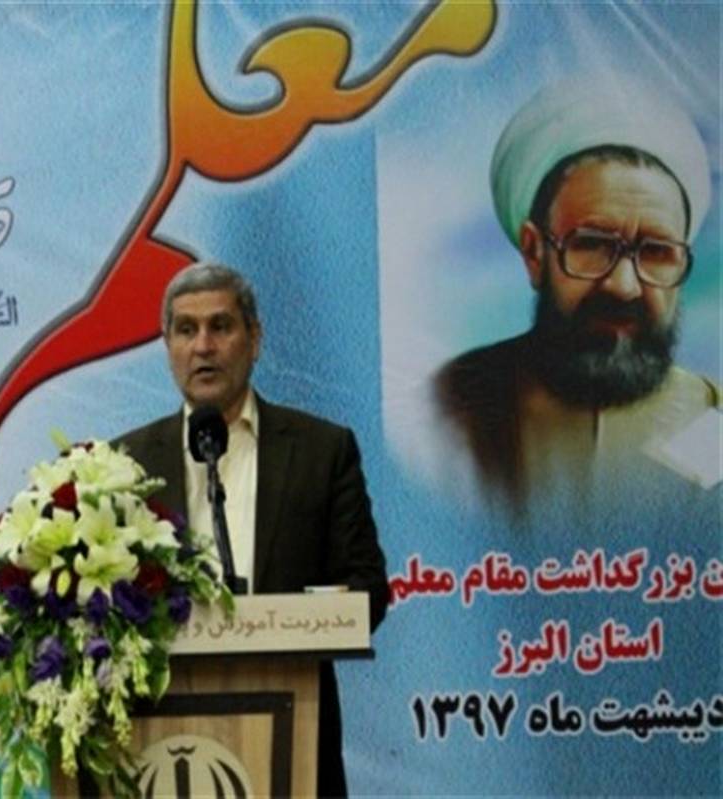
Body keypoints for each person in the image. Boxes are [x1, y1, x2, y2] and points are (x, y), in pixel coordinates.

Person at [116, 262, 389, 797]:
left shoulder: (321, 451)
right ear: (168, 346)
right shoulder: (125, 464)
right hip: (164, 747)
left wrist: (299, 620)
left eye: (221, 326)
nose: (203, 346)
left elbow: (367, 588)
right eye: (186, 330)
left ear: (255, 339)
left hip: (295, 744)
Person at [433, 79, 719, 510]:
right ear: (534, 252)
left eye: (656, 252)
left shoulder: (712, 419)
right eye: (592, 244)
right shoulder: (453, 411)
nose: (623, 286)